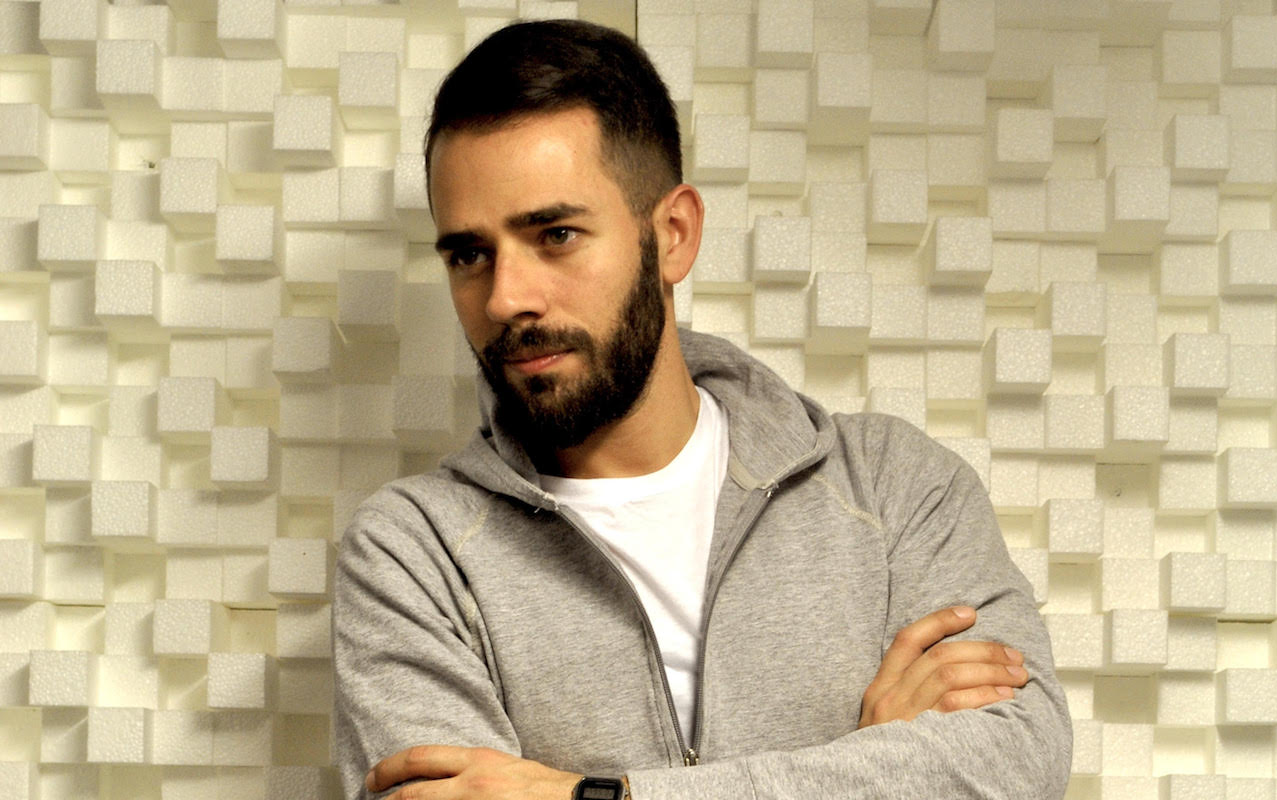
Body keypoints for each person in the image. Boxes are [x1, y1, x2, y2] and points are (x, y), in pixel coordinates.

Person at [333, 18, 1072, 800]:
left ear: (674, 235)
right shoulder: (414, 554)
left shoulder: (894, 488)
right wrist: (872, 764)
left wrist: (591, 796)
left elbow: (1017, 762)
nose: (506, 297)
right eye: (469, 254)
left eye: (556, 234)